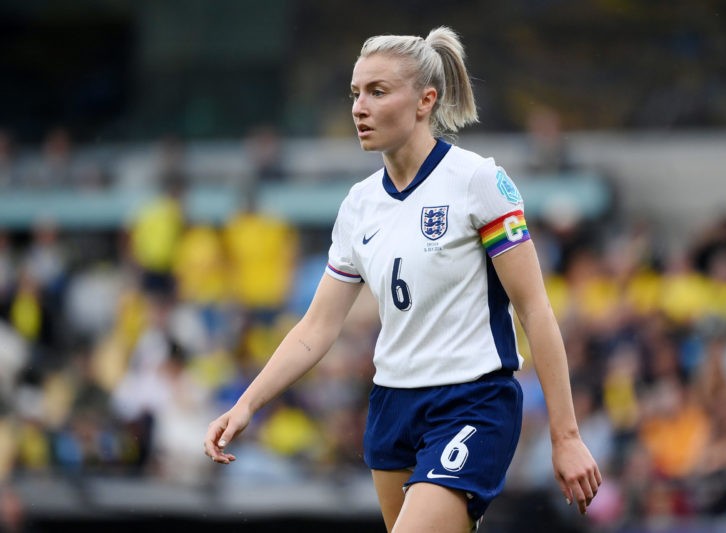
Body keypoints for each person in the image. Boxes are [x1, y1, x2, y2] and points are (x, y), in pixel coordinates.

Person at [204, 26, 601, 532]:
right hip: (392, 405)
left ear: (425, 101)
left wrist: (565, 436)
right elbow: (316, 328)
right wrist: (246, 405)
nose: (359, 108)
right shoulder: (359, 205)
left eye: (377, 91)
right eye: (355, 93)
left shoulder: (478, 182)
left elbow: (535, 310)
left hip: (472, 402)